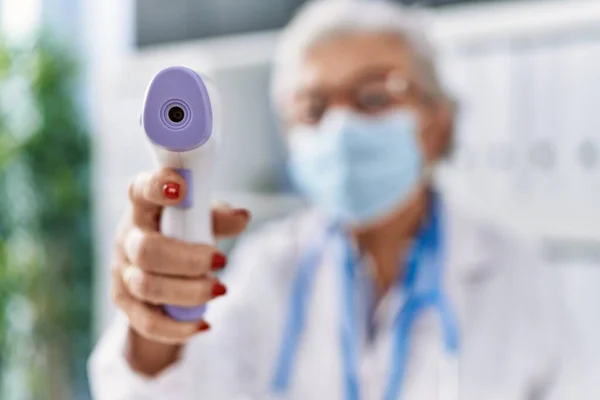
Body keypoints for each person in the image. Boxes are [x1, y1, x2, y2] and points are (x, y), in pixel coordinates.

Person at [88, 1, 565, 399]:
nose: (340, 128)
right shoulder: (270, 269)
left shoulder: (517, 278)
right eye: (314, 107)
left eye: (374, 97)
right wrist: (154, 323)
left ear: (437, 122)